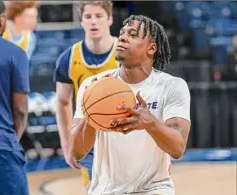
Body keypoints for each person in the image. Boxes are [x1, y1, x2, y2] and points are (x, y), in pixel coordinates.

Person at [70, 15, 191, 195]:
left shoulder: (172, 86)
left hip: (155, 189)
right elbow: (76, 153)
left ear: (151, 48)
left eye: (133, 34)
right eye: (122, 33)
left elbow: (177, 148)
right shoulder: (93, 86)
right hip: (105, 190)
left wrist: (151, 123)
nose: (123, 37)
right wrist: (91, 115)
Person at [54, 0, 119, 188]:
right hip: (88, 138)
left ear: (109, 19)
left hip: (123, 137)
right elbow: (62, 102)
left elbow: (146, 101)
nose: (93, 22)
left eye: (99, 16)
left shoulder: (126, 55)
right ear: (81, 21)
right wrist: (67, 145)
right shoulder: (68, 58)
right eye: (88, 17)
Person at [0, 1, 30, 195]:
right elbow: (20, 110)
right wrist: (13, 139)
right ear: (1, 20)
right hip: (0, 147)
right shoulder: (15, 53)